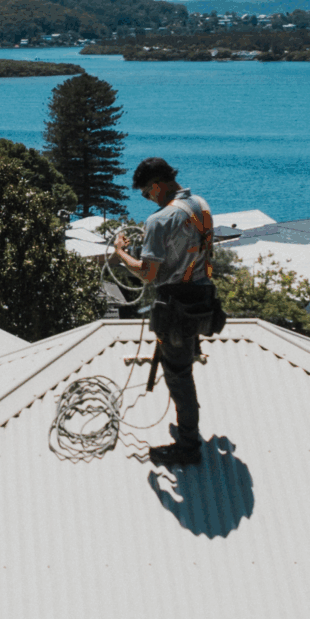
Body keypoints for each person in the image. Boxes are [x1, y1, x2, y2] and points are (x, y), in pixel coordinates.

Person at [112, 157, 216, 467]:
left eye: (146, 193)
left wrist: (120, 253)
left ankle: (188, 445)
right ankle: (188, 425)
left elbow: (148, 274)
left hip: (176, 307)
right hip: (204, 298)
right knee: (184, 363)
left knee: (178, 376)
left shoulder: (158, 221)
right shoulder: (201, 205)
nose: (147, 199)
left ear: (156, 186)